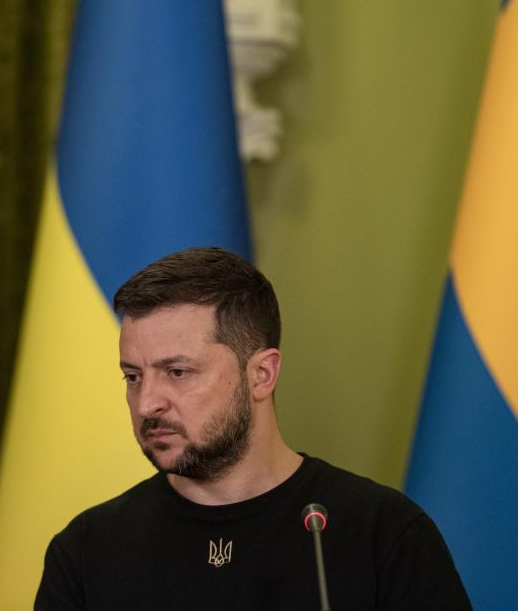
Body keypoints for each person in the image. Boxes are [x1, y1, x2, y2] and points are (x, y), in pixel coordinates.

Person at [35, 247, 471, 610]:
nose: (147, 402)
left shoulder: (383, 535)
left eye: (178, 372)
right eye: (133, 376)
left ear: (261, 375)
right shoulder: (87, 552)